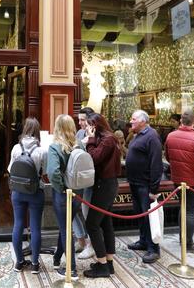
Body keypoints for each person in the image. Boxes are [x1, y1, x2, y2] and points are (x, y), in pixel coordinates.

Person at [164, 110, 194, 253]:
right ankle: (188, 243)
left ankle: (182, 239)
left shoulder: (170, 136)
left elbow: (167, 156)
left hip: (177, 179)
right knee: (190, 211)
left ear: (181, 121)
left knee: (182, 208)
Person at [82, 113, 122, 278]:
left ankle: (102, 265)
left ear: (96, 125)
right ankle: (109, 263)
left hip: (105, 185)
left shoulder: (108, 139)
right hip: (106, 184)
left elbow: (94, 158)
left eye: (89, 124)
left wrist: (90, 140)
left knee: (92, 224)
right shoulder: (106, 138)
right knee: (105, 223)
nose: (86, 127)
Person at [8, 117, 47, 273]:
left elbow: (10, 169)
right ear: (37, 131)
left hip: (18, 192)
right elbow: (45, 172)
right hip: (36, 192)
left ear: (24, 130)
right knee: (35, 227)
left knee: (18, 225)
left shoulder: (16, 148)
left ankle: (19, 262)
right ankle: (35, 264)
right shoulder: (42, 151)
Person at [124, 110, 163, 264]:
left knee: (149, 217)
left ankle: (154, 249)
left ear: (142, 121)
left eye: (133, 119)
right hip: (135, 182)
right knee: (140, 214)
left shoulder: (152, 136)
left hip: (145, 185)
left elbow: (156, 164)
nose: (131, 121)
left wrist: (154, 189)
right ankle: (143, 241)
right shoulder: (138, 135)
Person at [46, 114, 81, 280]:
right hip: (78, 193)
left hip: (63, 194)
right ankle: (57, 258)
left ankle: (71, 269)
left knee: (66, 229)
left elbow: (52, 172)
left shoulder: (55, 147)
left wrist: (61, 188)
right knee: (65, 226)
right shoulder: (79, 144)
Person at [73, 107, 95, 259]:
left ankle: (91, 245)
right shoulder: (80, 133)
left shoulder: (97, 135)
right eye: (79, 119)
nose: (80, 123)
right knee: (72, 209)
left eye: (83, 120)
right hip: (77, 178)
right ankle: (81, 239)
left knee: (87, 212)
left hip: (91, 180)